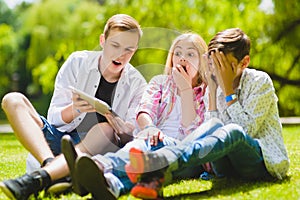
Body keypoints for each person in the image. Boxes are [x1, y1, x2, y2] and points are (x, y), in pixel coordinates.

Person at [0, 32, 208, 200]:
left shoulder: (204, 92)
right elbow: (145, 112)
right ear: (103, 41)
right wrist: (149, 127)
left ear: (202, 61)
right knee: (137, 148)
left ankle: (58, 175)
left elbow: (193, 134)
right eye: (177, 53)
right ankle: (55, 169)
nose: (182, 58)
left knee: (126, 145)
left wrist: (186, 90)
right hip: (149, 141)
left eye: (190, 54)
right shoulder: (159, 83)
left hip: (176, 148)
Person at [123, 28, 290, 199]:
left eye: (224, 65)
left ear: (244, 62)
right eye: (214, 64)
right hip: (225, 166)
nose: (219, 71)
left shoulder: (259, 82)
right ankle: (138, 175)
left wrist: (228, 91)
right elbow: (212, 130)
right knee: (213, 125)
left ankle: (161, 163)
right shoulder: (213, 86)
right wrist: (212, 90)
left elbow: (245, 131)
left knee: (233, 131)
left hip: (260, 162)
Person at [0, 13, 146, 198]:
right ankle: (52, 167)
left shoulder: (138, 84)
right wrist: (74, 109)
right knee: (12, 99)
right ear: (103, 41)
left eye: (129, 50)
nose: (120, 55)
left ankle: (44, 177)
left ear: (135, 50)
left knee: (106, 130)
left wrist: (121, 127)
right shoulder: (78, 62)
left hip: (92, 155)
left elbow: (132, 140)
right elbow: (53, 117)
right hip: (59, 139)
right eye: (115, 45)